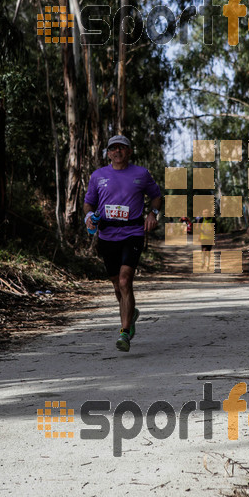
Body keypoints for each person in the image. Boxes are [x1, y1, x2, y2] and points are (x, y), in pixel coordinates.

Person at [83, 135, 162, 352]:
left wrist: (152, 214)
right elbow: (88, 203)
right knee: (117, 285)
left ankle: (124, 332)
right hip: (107, 236)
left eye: (122, 148)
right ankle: (131, 313)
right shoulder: (98, 176)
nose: (117, 151)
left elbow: (156, 197)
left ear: (129, 151)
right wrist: (88, 217)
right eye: (113, 148)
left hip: (133, 233)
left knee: (126, 280)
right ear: (108, 153)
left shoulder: (141, 174)